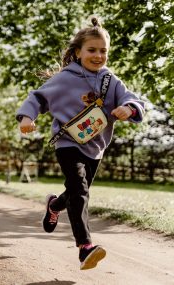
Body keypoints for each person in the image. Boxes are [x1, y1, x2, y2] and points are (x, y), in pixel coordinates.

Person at [16, 17, 145, 270]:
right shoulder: (65, 78)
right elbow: (38, 97)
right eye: (92, 50)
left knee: (76, 191)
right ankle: (85, 247)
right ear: (78, 52)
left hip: (96, 146)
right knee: (80, 190)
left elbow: (133, 99)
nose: (98, 56)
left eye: (103, 51)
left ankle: (54, 205)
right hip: (67, 143)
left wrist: (129, 109)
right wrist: (26, 117)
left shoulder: (111, 81)